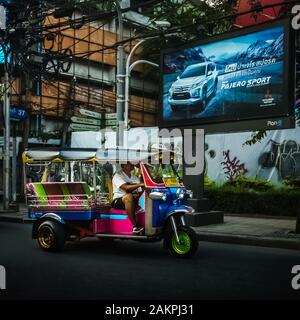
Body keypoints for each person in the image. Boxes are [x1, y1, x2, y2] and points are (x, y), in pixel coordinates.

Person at [112, 163, 144, 234]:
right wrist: (140, 184)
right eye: (129, 163)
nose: (132, 164)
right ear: (123, 165)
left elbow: (140, 192)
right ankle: (135, 226)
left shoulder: (134, 177)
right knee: (129, 196)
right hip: (119, 199)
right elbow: (126, 188)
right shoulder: (118, 175)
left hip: (133, 199)